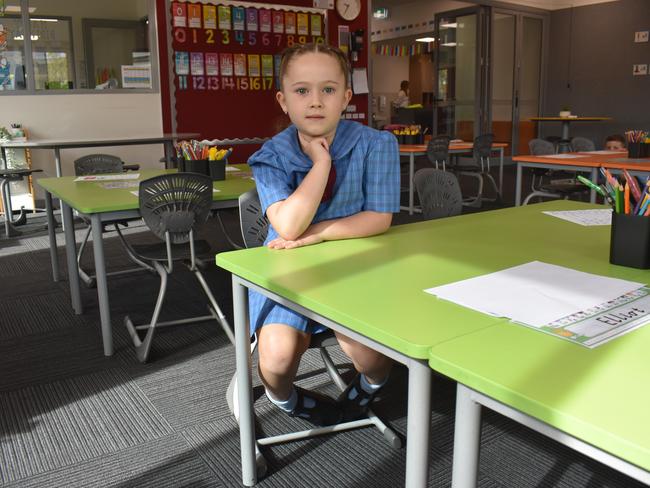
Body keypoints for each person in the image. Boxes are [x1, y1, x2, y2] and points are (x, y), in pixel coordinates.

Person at [247, 43, 400, 426]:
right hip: (288, 270)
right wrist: (321, 163)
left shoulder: (375, 144)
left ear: (346, 97)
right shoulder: (271, 155)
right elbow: (288, 227)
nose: (315, 101)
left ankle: (370, 385)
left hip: (353, 265)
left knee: (369, 353)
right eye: (302, 91)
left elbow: (379, 218)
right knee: (277, 358)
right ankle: (285, 400)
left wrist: (319, 234)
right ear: (283, 101)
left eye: (328, 90)